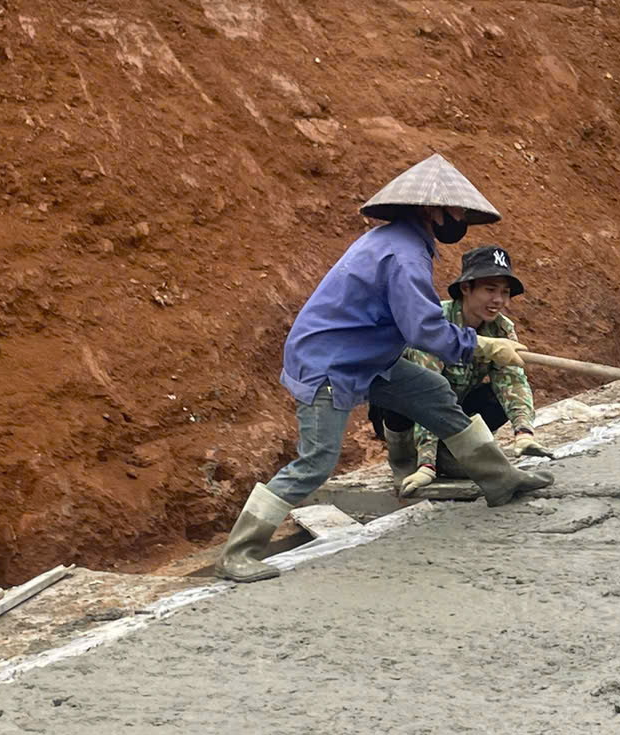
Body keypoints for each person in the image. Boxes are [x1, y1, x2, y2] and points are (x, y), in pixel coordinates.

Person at [215, 155, 552, 582]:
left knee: (433, 392)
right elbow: (423, 328)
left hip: (367, 356)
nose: (462, 219)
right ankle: (237, 552)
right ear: (434, 210)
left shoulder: (401, 242)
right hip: (329, 362)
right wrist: (481, 345)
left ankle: (499, 479)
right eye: (458, 210)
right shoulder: (404, 255)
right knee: (316, 461)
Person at [374, 243, 544, 498]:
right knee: (404, 395)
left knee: (494, 397)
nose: (498, 300)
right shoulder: (436, 325)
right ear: (466, 288)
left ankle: (452, 457)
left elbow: (512, 380)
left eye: (505, 292)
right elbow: (425, 396)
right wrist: (426, 465)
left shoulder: (501, 329)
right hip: (413, 415)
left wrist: (523, 432)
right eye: (489, 290)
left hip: (453, 412)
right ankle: (409, 462)